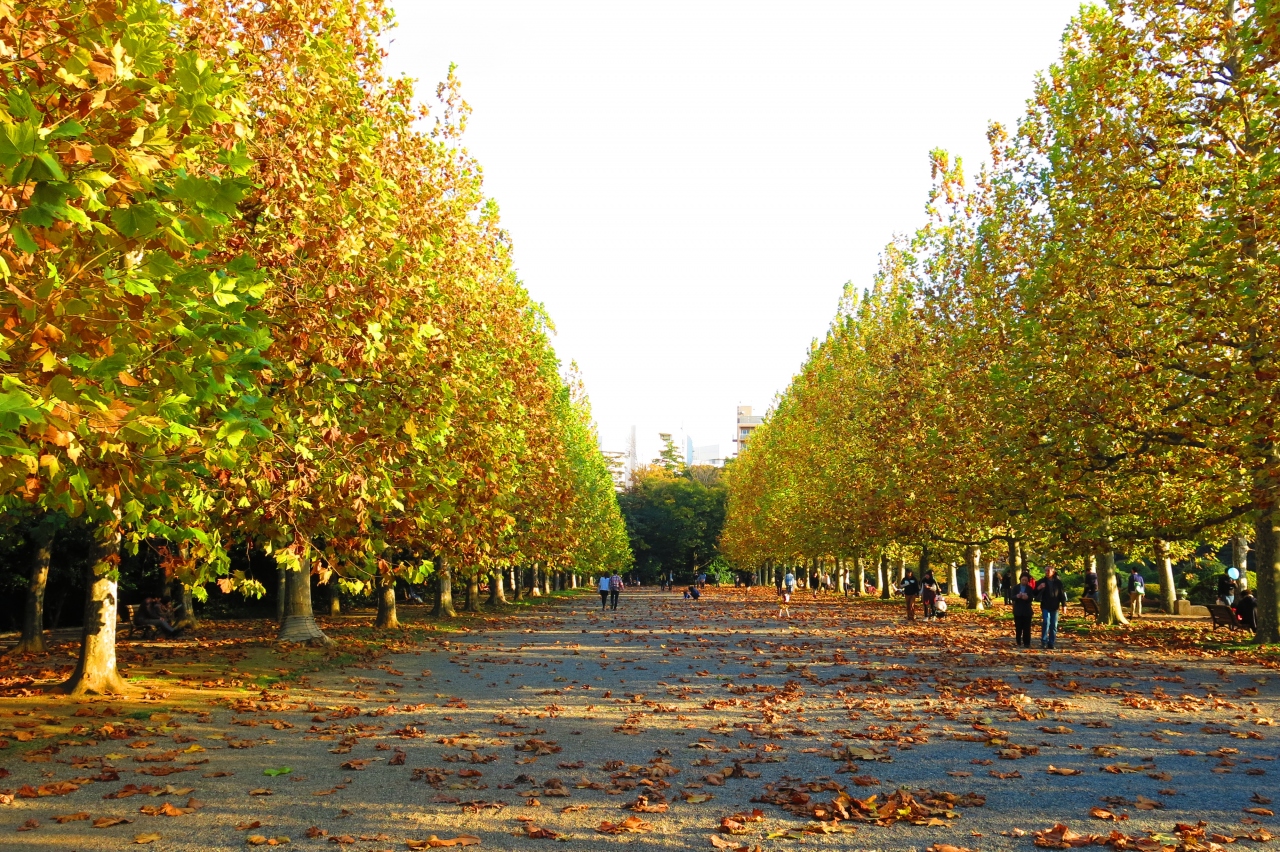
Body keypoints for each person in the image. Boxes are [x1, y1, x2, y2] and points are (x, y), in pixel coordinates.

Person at [1038, 566, 1068, 650]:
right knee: (1046, 622)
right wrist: (1039, 587)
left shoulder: (1058, 582)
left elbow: (1062, 594)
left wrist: (1064, 605)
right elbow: (1034, 592)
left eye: (1048, 570)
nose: (1047, 572)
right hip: (1045, 605)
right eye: (1046, 570)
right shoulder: (1042, 581)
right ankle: (1044, 641)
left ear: (1053, 572)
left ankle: (1051, 643)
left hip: (1055, 606)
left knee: (1054, 625)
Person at [1012, 571, 1035, 648]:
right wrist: (1017, 596)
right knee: (1018, 627)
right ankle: (1018, 641)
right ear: (1020, 579)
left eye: (1026, 580)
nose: (1024, 581)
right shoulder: (1015, 588)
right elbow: (1011, 597)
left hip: (1027, 610)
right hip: (1018, 610)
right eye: (1023, 580)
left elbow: (1031, 598)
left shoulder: (1029, 588)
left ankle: (1027, 642)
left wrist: (1027, 598)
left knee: (1027, 627)